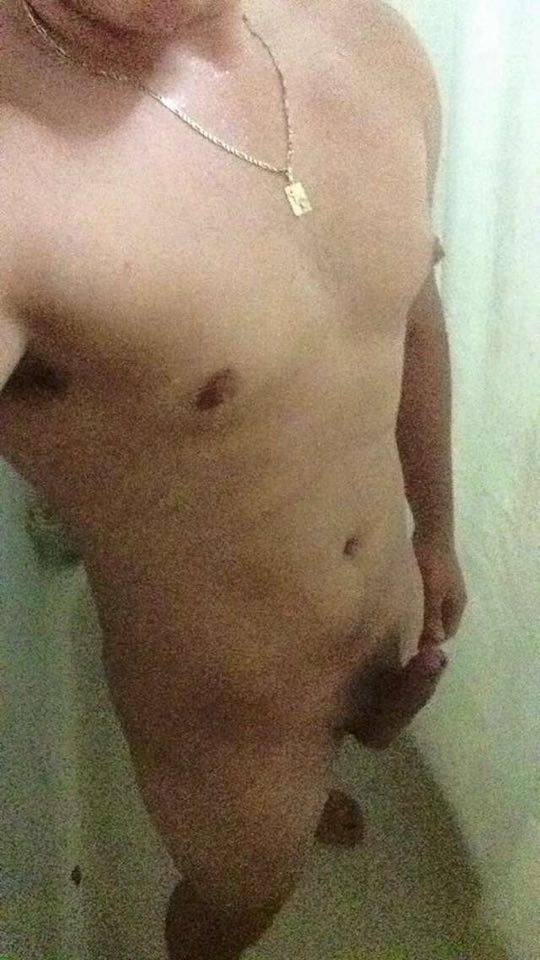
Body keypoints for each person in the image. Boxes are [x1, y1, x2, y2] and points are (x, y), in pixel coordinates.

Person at [0, 0, 468, 957]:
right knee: (239, 904)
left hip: (388, 599)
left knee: (371, 731)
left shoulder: (370, 39)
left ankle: (321, 789)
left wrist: (437, 530)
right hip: (231, 713)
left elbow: (413, 310)